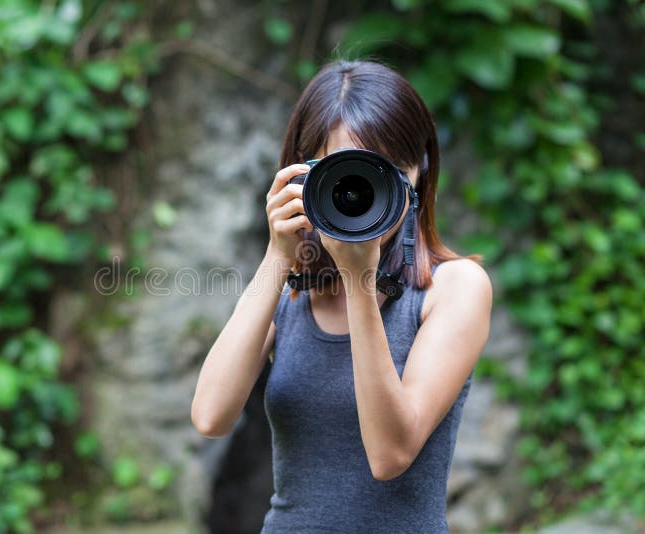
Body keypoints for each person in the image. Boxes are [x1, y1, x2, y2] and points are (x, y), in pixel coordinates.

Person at [191, 59, 492, 533]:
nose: (364, 192)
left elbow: (390, 455)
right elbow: (210, 415)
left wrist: (360, 285)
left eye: (387, 170)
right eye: (347, 172)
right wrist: (277, 255)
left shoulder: (452, 289)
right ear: (304, 172)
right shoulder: (291, 294)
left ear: (419, 175)